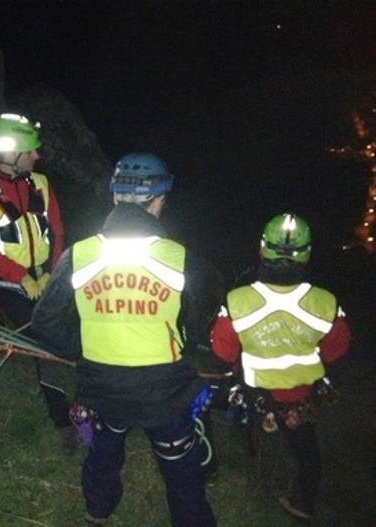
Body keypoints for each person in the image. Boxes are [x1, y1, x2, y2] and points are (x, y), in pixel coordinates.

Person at [31, 152, 216, 526]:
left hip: (102, 385)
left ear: (115, 197)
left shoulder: (79, 255)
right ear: (160, 200)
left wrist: (83, 349)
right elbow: (196, 326)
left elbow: (45, 322)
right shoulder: (180, 258)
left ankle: (97, 511)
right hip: (163, 392)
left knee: (105, 449)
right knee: (180, 468)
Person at [210, 212, 350, 521]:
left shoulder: (237, 300)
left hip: (254, 392)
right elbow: (337, 352)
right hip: (302, 397)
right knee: (307, 450)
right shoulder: (327, 303)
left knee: (222, 405)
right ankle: (304, 501)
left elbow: (222, 352)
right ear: (307, 254)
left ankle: (237, 464)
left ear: (262, 250)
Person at [0, 113, 75, 443]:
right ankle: (60, 415)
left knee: (74, 324)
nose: (37, 157)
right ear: (12, 154)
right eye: (31, 151)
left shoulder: (40, 184)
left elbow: (56, 230)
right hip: (9, 283)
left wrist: (53, 274)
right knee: (43, 337)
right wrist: (22, 278)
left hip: (48, 275)